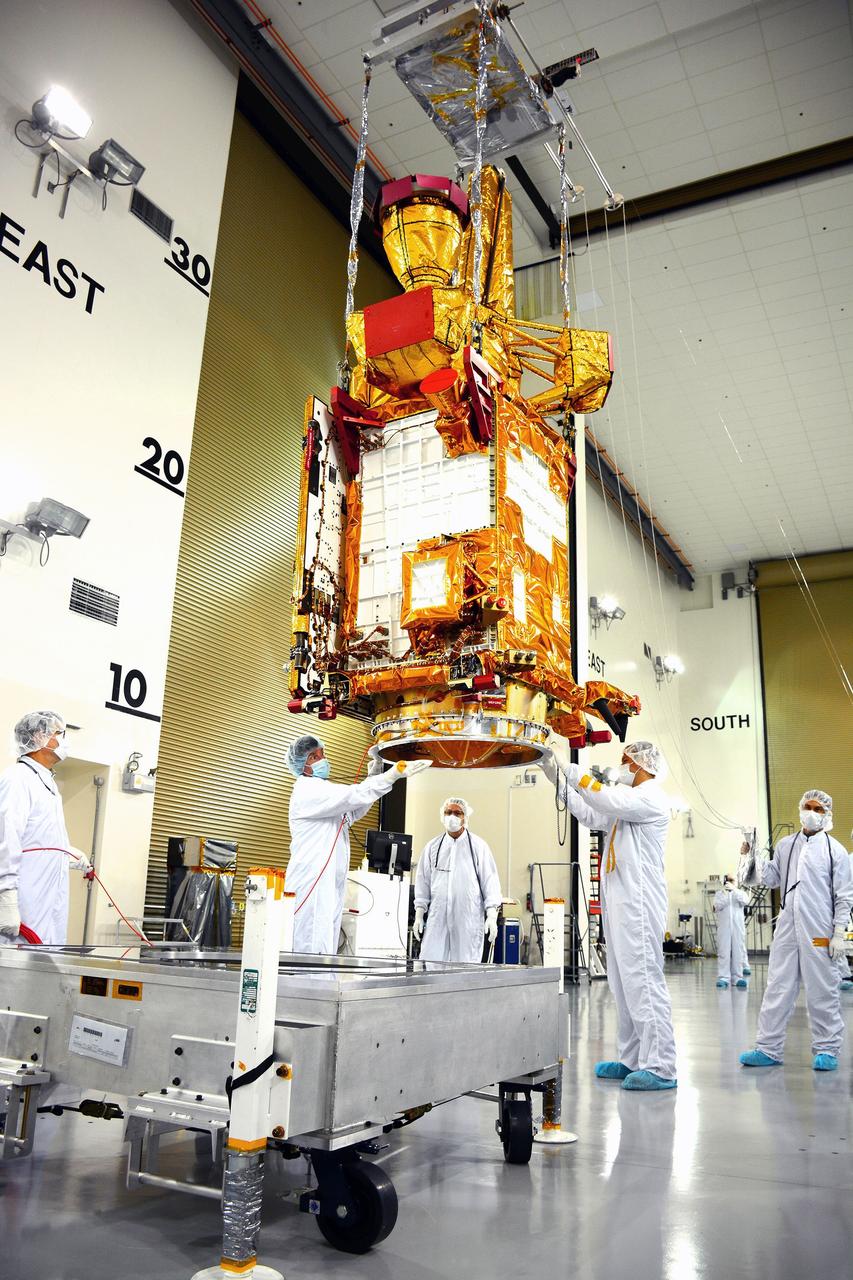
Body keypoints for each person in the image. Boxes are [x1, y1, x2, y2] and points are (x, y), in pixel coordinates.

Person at [541, 737, 677, 1091]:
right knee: (622, 981)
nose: (623, 767)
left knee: (644, 980)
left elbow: (608, 798)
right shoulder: (625, 805)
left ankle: (661, 1066)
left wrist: (577, 773)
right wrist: (554, 775)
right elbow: (590, 813)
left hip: (640, 902)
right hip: (619, 900)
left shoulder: (650, 798)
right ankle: (632, 1059)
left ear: (643, 764)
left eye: (626, 761)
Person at [286, 734, 430, 955]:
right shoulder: (308, 790)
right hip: (311, 880)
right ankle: (305, 986)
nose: (322, 758)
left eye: (322, 753)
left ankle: (320, 984)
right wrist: (392, 775)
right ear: (302, 765)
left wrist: (376, 772)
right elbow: (353, 795)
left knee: (326, 941)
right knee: (311, 941)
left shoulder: (325, 793)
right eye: (315, 757)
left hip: (329, 881)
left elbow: (354, 808)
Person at [740, 789, 853, 1072]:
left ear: (826, 814)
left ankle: (827, 1048)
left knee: (822, 989)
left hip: (819, 930)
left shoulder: (835, 850)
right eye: (807, 806)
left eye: (817, 808)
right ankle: (768, 1047)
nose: (811, 812)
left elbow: (844, 896)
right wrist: (751, 854)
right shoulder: (786, 845)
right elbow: (771, 877)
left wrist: (839, 932)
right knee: (778, 986)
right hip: (788, 927)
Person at [0, 711, 92, 946]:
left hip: (46, 897)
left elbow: (35, 837)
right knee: (17, 970)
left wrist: (66, 852)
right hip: (23, 901)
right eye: (60, 734)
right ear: (40, 737)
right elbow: (6, 838)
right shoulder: (17, 780)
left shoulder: (46, 782)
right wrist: (6, 896)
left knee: (45, 960)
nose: (64, 740)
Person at [413, 797, 502, 963]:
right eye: (448, 812)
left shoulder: (478, 846)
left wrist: (491, 916)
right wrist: (419, 915)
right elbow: (423, 883)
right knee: (432, 962)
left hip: (467, 918)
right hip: (437, 919)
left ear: (465, 817)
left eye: (457, 813)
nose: (451, 816)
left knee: (465, 966)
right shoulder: (433, 847)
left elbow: (490, 882)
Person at [714, 876, 749, 989]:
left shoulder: (740, 893)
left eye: (732, 880)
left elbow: (745, 901)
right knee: (724, 952)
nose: (730, 882)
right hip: (724, 928)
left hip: (738, 928)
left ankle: (737, 977)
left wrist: (734, 891)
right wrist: (726, 894)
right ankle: (724, 978)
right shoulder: (719, 894)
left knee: (738, 952)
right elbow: (717, 906)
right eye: (728, 880)